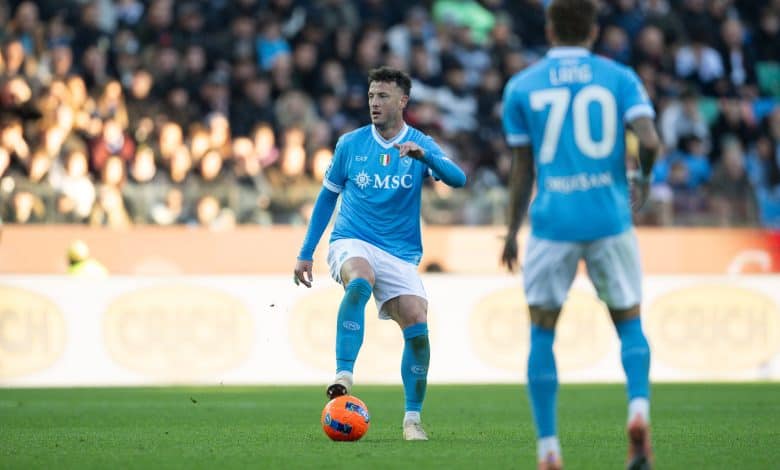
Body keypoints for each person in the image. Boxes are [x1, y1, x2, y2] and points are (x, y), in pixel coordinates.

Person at [500, 1, 660, 469]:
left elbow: (521, 168)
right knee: (629, 322)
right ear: (593, 30)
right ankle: (637, 410)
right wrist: (643, 179)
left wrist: (512, 230)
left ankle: (548, 448)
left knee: (542, 333)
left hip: (553, 224)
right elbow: (649, 140)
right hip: (610, 218)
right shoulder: (618, 77)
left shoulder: (522, 86)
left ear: (549, 28)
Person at [293, 66, 466, 441]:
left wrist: (426, 158)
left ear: (403, 101)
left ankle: (412, 420)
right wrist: (306, 251)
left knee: (418, 325)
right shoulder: (350, 144)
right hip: (351, 238)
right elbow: (327, 198)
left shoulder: (420, 143)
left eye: (383, 96)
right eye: (371, 95)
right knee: (360, 279)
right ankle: (343, 374)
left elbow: (458, 179)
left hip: (399, 252)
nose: (374, 102)